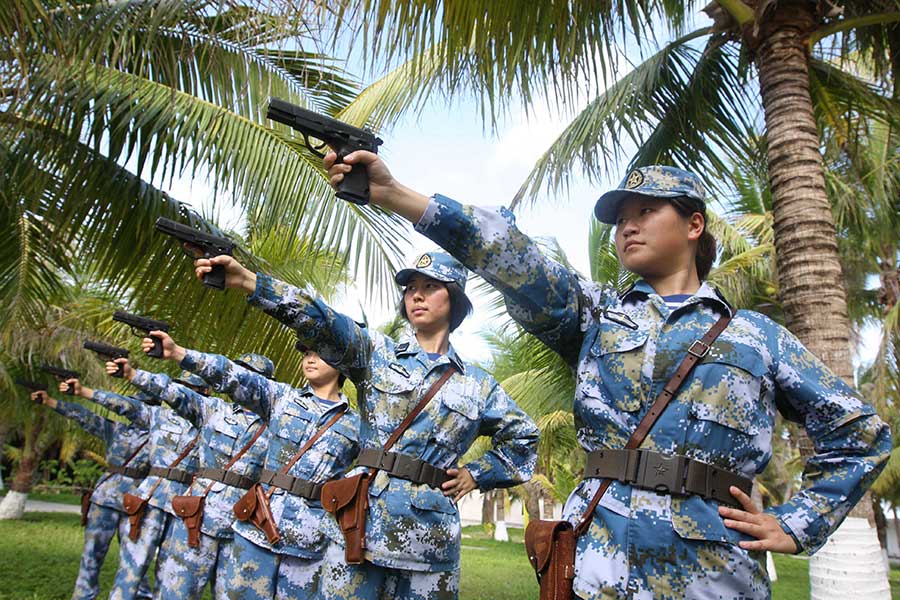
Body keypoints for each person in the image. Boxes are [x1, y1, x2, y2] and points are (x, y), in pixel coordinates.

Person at [323, 155, 892, 599]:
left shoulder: (757, 337)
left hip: (714, 573)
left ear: (694, 223)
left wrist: (797, 523)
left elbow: (859, 433)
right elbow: (511, 258)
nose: (627, 225)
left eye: (645, 210)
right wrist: (395, 195)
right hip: (595, 563)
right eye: (621, 218)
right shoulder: (593, 317)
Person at [191, 249, 539, 600]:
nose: (415, 295)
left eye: (430, 286)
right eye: (410, 287)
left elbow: (524, 437)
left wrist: (477, 474)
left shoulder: (478, 385)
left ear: (456, 299)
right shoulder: (376, 352)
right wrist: (250, 282)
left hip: (431, 545)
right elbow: (323, 320)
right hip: (361, 527)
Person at [154, 335, 359, 600]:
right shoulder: (282, 398)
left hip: (309, 541)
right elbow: (232, 376)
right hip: (258, 528)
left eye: (319, 352)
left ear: (341, 364)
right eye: (306, 352)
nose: (309, 358)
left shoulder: (355, 425)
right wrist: (179, 353)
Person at [117, 343, 270, 600]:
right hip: (198, 517)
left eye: (251, 375)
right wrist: (133, 375)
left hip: (241, 523)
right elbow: (171, 391)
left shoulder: (274, 423)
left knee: (229, 594)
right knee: (177, 591)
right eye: (239, 371)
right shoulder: (212, 409)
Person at [83, 366, 200, 600]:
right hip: (152, 498)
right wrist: (85, 393)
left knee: (170, 572)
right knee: (132, 566)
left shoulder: (207, 421)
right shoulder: (158, 416)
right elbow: (125, 405)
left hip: (184, 505)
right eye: (181, 389)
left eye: (191, 390)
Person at [32, 384, 152, 600]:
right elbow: (83, 416)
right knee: (92, 556)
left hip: (135, 503)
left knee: (134, 557)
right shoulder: (116, 428)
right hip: (107, 499)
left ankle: (139, 596)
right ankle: (83, 596)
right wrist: (50, 402)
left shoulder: (160, 437)